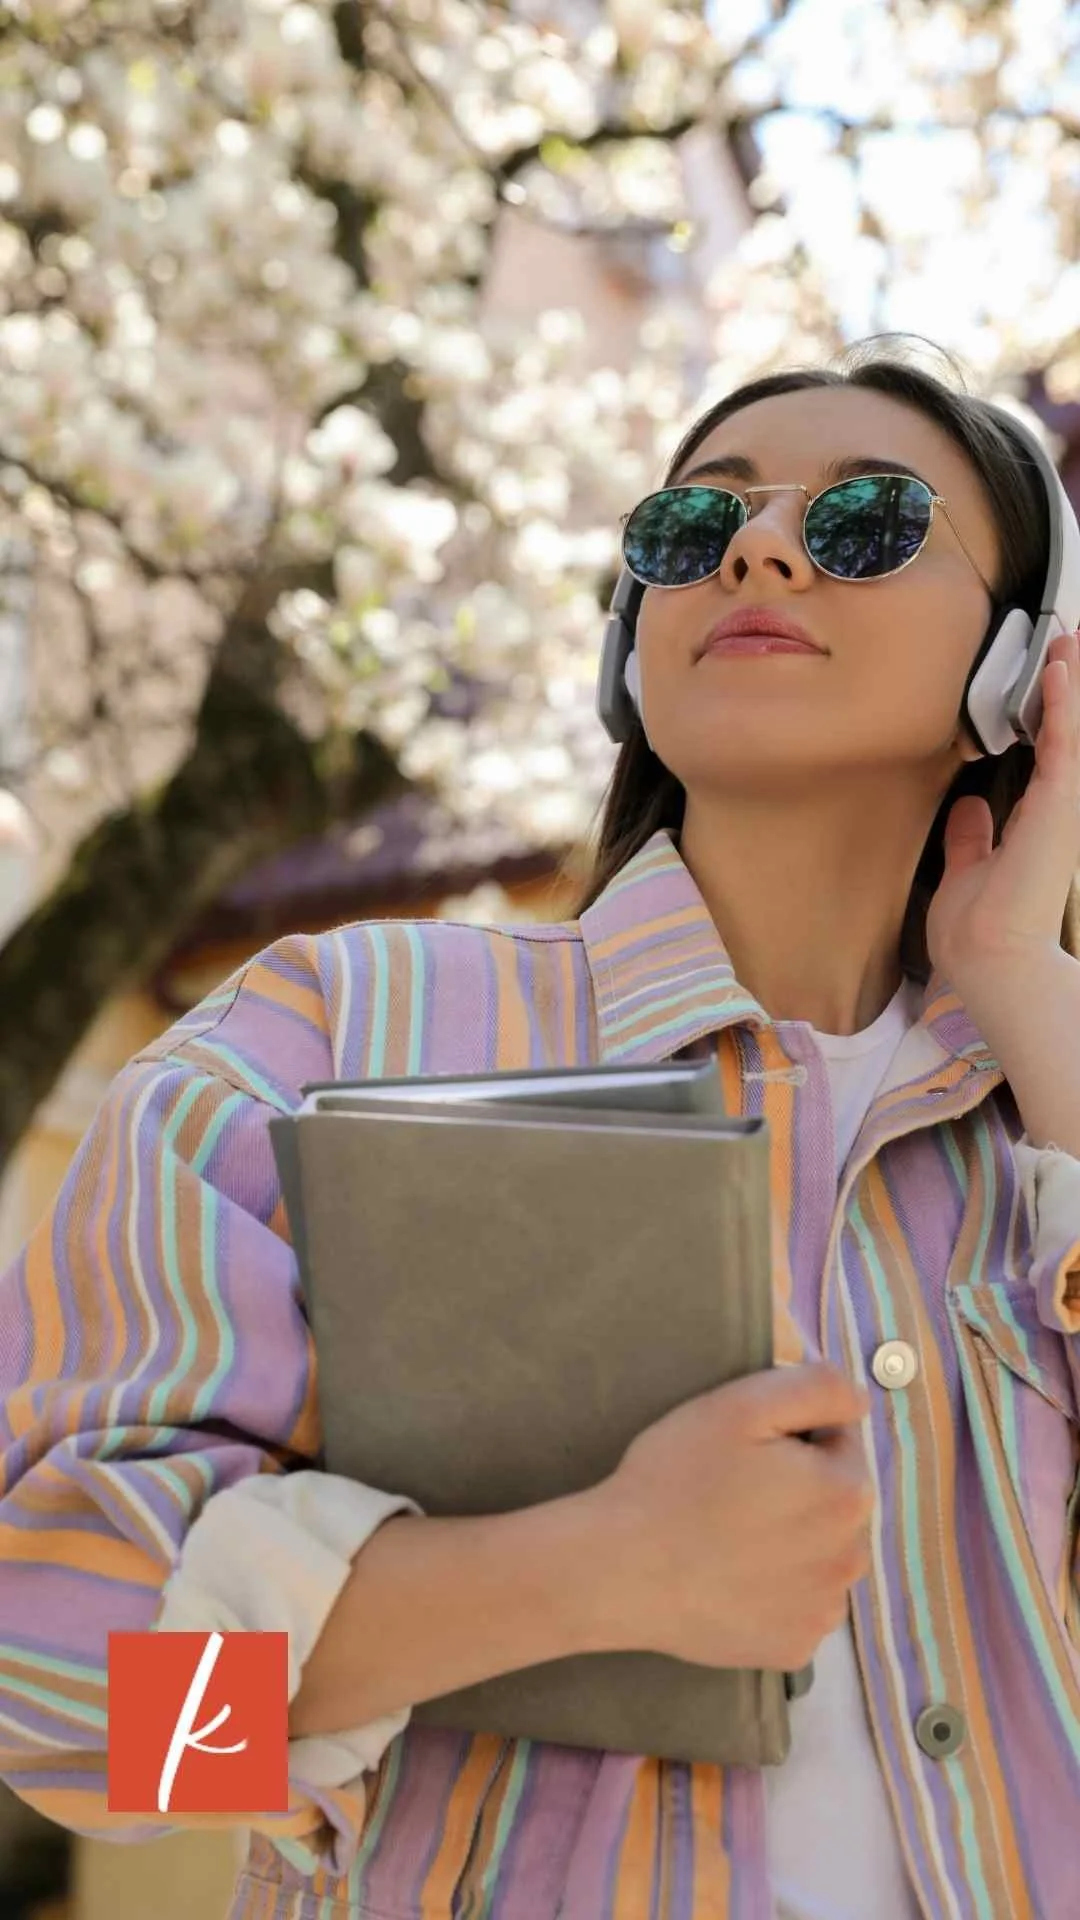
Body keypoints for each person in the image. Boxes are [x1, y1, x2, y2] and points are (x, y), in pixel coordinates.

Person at [0, 337, 1078, 1920]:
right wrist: (589, 1573)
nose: (759, 548)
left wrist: (1027, 995)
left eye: (865, 523)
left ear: (1018, 676)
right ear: (627, 654)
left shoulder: (1039, 1125)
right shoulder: (322, 1036)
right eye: (687, 529)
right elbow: (61, 1706)